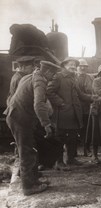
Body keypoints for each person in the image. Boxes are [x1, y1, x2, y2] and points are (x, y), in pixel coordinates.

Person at [4, 61, 60, 195]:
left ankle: (34, 179)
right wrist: (46, 124)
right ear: (47, 72)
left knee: (31, 148)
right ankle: (28, 186)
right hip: (21, 119)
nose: (53, 77)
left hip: (18, 116)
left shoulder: (28, 76)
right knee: (27, 151)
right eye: (52, 73)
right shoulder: (40, 81)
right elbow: (39, 104)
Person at [47, 57, 99, 168]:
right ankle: (59, 162)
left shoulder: (73, 78)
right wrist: (60, 102)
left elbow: (80, 94)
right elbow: (49, 91)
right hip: (62, 114)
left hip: (74, 114)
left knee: (72, 137)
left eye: (75, 65)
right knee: (60, 138)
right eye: (70, 64)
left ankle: (71, 159)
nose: (73, 67)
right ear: (64, 65)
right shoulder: (58, 77)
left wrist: (92, 97)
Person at [76, 58, 94, 157]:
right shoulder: (73, 77)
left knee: (87, 129)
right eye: (80, 66)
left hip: (88, 107)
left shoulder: (90, 77)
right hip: (77, 107)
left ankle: (87, 148)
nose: (82, 68)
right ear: (77, 67)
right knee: (76, 129)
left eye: (84, 66)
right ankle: (74, 151)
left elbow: (93, 90)